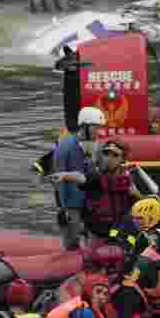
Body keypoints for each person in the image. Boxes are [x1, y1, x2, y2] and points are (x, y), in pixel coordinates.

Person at [49, 106, 105, 250]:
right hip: (72, 203)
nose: (99, 132)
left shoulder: (98, 146)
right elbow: (58, 181)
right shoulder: (65, 147)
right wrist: (62, 207)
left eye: (100, 128)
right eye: (95, 128)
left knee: (94, 239)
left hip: (91, 203)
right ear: (84, 127)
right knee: (72, 242)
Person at [82, 140, 144, 242]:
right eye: (106, 154)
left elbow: (146, 204)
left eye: (115, 155)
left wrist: (136, 194)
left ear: (123, 159)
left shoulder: (132, 179)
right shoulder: (94, 177)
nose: (109, 158)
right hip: (97, 234)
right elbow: (80, 179)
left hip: (121, 234)